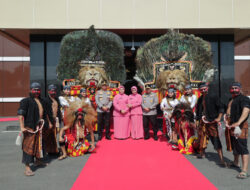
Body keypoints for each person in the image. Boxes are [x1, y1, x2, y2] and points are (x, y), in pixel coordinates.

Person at [17, 82, 48, 176]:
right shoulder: (25, 101)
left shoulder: (41, 100)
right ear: (30, 90)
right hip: (29, 127)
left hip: (39, 127)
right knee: (28, 148)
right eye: (34, 89)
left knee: (39, 145)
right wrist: (22, 127)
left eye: (38, 90)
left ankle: (38, 161)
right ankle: (27, 168)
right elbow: (20, 115)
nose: (36, 91)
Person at [195, 82, 226, 166]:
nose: (203, 90)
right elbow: (198, 111)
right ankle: (202, 153)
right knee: (201, 137)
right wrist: (197, 120)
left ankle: (221, 159)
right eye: (201, 89)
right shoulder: (200, 98)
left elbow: (221, 107)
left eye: (204, 88)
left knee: (215, 138)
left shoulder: (213, 96)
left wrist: (219, 118)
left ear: (207, 88)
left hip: (212, 121)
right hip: (202, 121)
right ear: (199, 90)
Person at [225, 82, 250, 179]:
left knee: (242, 147)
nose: (234, 90)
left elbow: (246, 110)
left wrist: (239, 122)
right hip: (232, 125)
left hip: (241, 126)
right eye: (232, 88)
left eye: (236, 88)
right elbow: (228, 110)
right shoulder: (231, 99)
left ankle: (244, 171)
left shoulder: (244, 99)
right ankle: (236, 162)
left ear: (240, 89)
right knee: (235, 145)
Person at [44, 84, 62, 155]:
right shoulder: (46, 100)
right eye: (52, 91)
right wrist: (49, 122)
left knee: (55, 136)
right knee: (49, 137)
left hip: (56, 121)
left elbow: (59, 110)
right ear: (48, 91)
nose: (53, 92)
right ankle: (48, 151)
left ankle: (54, 150)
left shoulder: (57, 99)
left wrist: (60, 118)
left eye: (54, 91)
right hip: (49, 121)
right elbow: (45, 113)